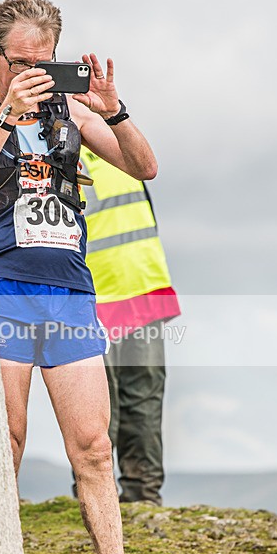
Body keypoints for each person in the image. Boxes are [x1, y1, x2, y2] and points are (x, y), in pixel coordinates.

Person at [0, 0, 164, 554]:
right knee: (8, 440)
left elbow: (144, 166)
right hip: (1, 289)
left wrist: (114, 110)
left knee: (93, 447)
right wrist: (6, 116)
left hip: (68, 292)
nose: (32, 73)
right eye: (20, 62)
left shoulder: (69, 109)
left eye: (42, 62)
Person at [75, 148, 181, 504]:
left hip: (142, 286)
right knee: (99, 408)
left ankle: (143, 498)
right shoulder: (60, 146)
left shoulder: (121, 143)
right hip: (93, 296)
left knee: (143, 400)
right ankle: (95, 498)